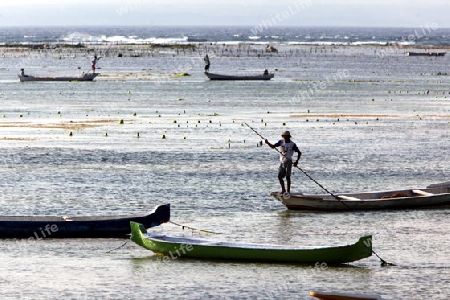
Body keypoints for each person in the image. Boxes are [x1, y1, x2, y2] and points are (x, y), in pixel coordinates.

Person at [265, 131, 301, 195]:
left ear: (289, 137)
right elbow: (273, 146)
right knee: (279, 176)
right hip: (282, 161)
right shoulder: (281, 142)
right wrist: (268, 143)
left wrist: (296, 162)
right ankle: (283, 190)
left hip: (288, 161)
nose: (284, 138)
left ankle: (288, 191)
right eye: (283, 136)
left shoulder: (292, 144)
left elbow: (299, 152)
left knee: (287, 176)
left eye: (286, 136)